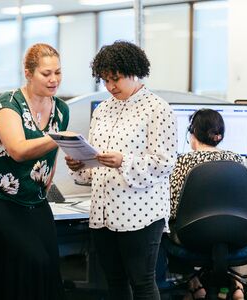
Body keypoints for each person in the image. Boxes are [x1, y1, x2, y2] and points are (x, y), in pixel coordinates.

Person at [65, 40, 177, 300]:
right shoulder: (103, 110)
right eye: (105, 80)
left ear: (134, 71)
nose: (110, 87)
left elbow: (164, 163)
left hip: (141, 212)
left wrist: (123, 161)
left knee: (142, 283)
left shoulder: (157, 108)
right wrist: (80, 164)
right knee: (114, 282)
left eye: (115, 79)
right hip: (103, 209)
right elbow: (96, 163)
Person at [0, 43, 69, 300]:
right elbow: (18, 150)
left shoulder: (61, 110)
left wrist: (44, 188)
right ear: (28, 72)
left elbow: (50, 160)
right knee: (32, 260)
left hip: (33, 201)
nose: (53, 79)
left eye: (58, 72)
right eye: (46, 73)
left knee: (51, 270)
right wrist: (60, 138)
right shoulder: (8, 104)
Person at [169, 109, 244, 300]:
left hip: (192, 238)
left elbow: (172, 206)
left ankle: (192, 284)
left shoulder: (182, 162)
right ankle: (235, 285)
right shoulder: (237, 160)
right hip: (235, 238)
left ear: (192, 132)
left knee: (161, 231)